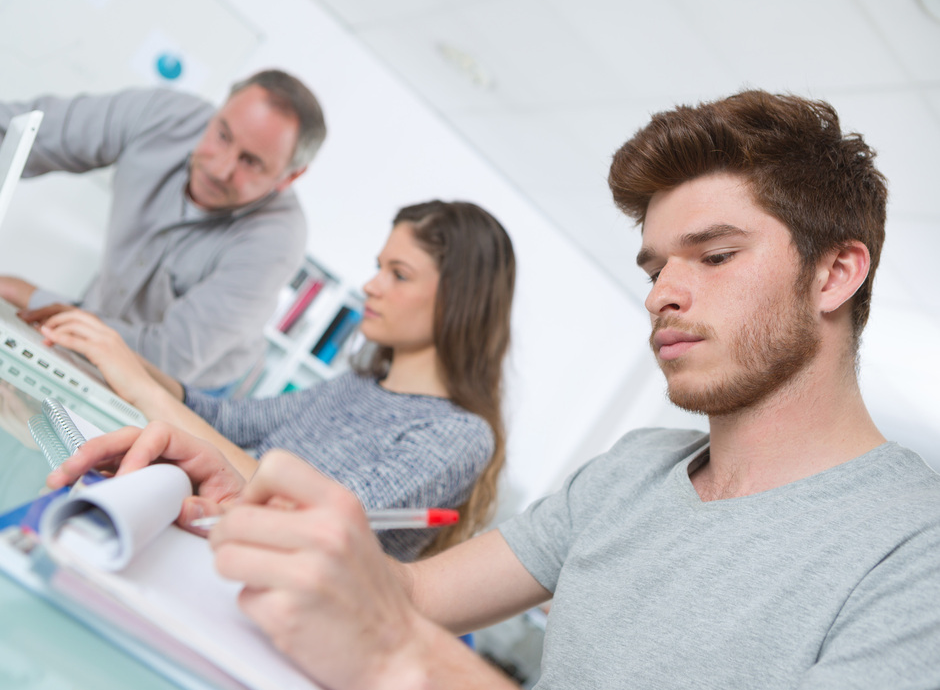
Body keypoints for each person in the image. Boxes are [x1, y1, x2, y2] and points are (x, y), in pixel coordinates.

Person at [50, 91, 940, 689]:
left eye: (712, 256)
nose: (663, 290)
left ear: (835, 275)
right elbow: (398, 596)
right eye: (656, 264)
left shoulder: (914, 554)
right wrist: (231, 482)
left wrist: (404, 657)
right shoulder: (632, 472)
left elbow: (395, 632)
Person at [45, 200, 516, 561]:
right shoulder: (357, 385)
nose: (372, 285)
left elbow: (300, 514)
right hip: (201, 538)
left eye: (399, 274)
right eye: (379, 267)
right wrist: (125, 357)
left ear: (459, 300)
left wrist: (142, 388)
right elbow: (228, 420)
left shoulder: (459, 436)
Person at [0, 69, 326, 393]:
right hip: (98, 317)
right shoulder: (161, 114)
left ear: (289, 177)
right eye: (223, 135)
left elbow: (167, 359)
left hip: (189, 384)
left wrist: (28, 295)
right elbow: (21, 131)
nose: (219, 169)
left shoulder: (277, 240)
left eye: (251, 162)